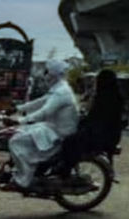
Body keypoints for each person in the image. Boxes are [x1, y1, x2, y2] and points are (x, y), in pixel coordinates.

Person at [7, 60, 79, 190]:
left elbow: (45, 111)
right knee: (18, 132)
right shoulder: (58, 88)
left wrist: (19, 120)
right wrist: (17, 109)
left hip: (59, 133)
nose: (45, 75)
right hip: (51, 127)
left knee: (16, 141)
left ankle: (24, 179)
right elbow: (41, 101)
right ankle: (22, 171)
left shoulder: (61, 92)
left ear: (53, 74)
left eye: (47, 71)